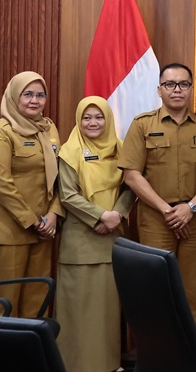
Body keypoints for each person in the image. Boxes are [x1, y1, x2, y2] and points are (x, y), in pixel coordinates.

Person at [120, 63, 196, 325]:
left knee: (193, 290)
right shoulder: (142, 125)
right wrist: (168, 211)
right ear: (159, 90)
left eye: (183, 84)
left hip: (194, 218)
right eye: (170, 84)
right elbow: (131, 175)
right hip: (156, 219)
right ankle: (158, 347)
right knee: (155, 288)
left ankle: (190, 346)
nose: (177, 90)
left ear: (191, 89)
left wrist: (190, 208)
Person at [0, 71, 62, 317]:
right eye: (27, 94)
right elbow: (1, 184)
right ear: (14, 96)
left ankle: (32, 344)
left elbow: (58, 176)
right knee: (5, 304)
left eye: (40, 95)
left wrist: (53, 214)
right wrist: (32, 221)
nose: (34, 100)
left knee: (37, 302)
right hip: (8, 230)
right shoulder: (0, 132)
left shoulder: (48, 128)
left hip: (43, 229)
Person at [55, 96, 135, 372]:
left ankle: (107, 364)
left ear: (108, 119)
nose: (93, 123)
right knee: (78, 310)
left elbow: (131, 187)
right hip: (80, 242)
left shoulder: (121, 149)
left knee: (106, 312)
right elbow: (67, 195)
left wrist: (117, 215)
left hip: (113, 239)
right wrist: (101, 216)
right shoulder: (69, 151)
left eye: (99, 117)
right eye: (86, 117)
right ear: (78, 120)